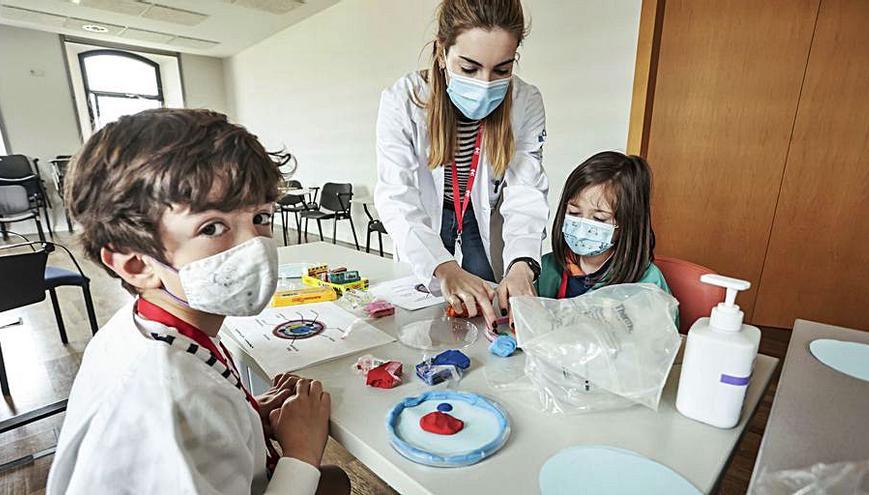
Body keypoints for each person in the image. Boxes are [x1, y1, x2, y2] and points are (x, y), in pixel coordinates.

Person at [46, 109, 350, 495]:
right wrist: (302, 452)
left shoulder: (155, 326)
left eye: (260, 217)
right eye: (212, 227)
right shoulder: (164, 404)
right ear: (137, 264)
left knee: (334, 482)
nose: (254, 245)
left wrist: (247, 414)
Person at [375, 0, 549, 326]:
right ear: (442, 52)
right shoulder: (402, 100)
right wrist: (444, 267)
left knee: (488, 307)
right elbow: (396, 196)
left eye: (502, 70)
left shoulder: (526, 102)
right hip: (428, 215)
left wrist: (522, 266)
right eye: (469, 68)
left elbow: (526, 192)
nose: (485, 85)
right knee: (425, 314)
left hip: (481, 214)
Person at [536, 151, 671, 299]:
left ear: (628, 224)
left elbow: (662, 321)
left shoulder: (648, 283)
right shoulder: (546, 269)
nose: (582, 229)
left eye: (599, 218)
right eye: (574, 213)